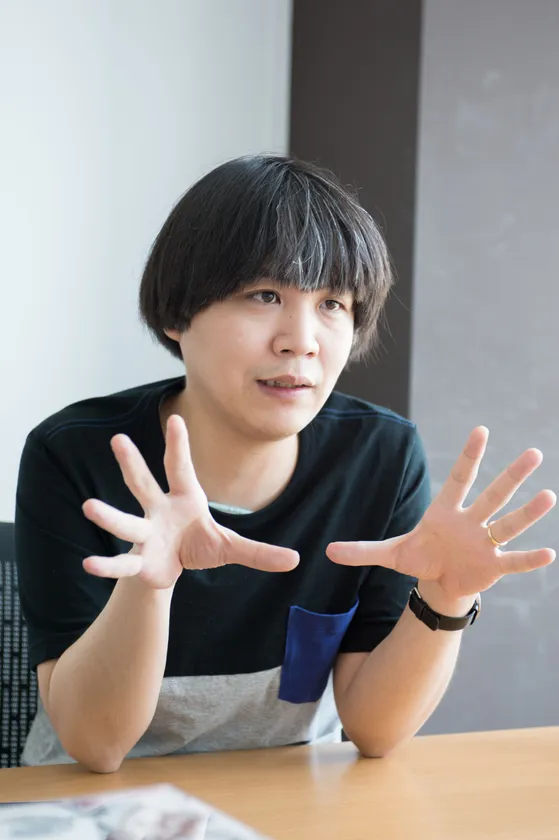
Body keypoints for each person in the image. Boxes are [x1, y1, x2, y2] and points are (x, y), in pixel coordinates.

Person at [15, 155, 555, 773]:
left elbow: (374, 730)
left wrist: (446, 597)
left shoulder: (378, 457)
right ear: (176, 314)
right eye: (264, 295)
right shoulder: (77, 454)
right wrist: (148, 585)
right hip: (92, 801)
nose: (301, 340)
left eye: (333, 304)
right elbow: (96, 745)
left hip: (291, 799)